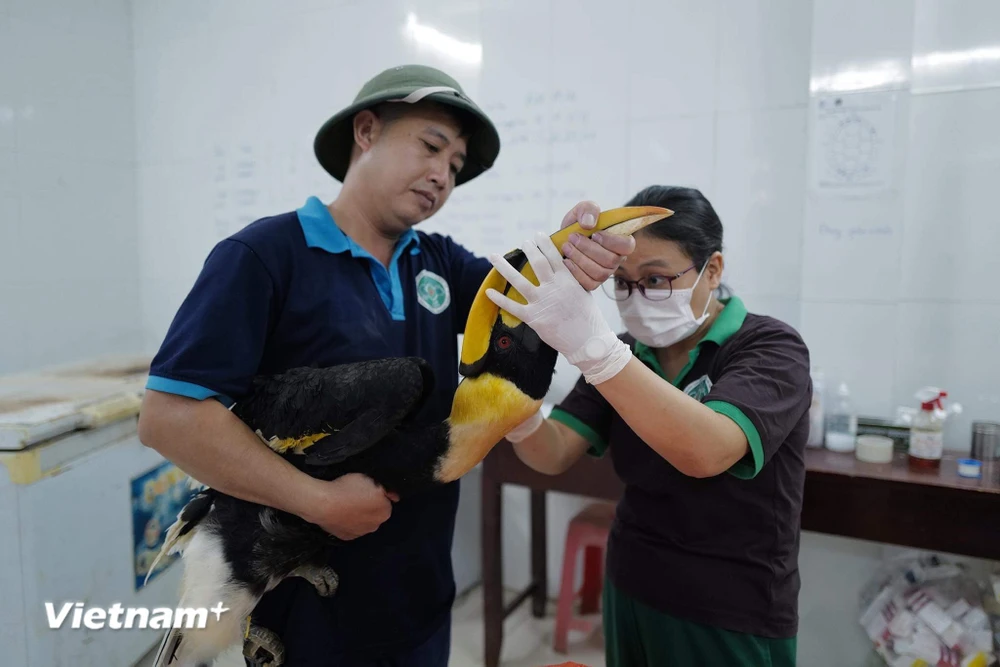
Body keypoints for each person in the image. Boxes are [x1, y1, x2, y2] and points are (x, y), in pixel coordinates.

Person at [136, 64, 635, 667]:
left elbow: (526, 304)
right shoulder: (262, 256)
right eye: (430, 147)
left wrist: (569, 256)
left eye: (454, 167)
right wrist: (315, 502)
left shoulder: (439, 261)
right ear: (366, 131)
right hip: (300, 609)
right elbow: (170, 418)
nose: (440, 176)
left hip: (418, 595)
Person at [493, 185, 812, 666]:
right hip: (633, 585)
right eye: (621, 282)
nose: (637, 297)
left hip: (729, 602)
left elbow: (707, 452)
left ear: (714, 270)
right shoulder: (628, 351)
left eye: (656, 279)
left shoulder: (770, 347)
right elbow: (553, 451)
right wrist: (514, 403)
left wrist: (594, 348)